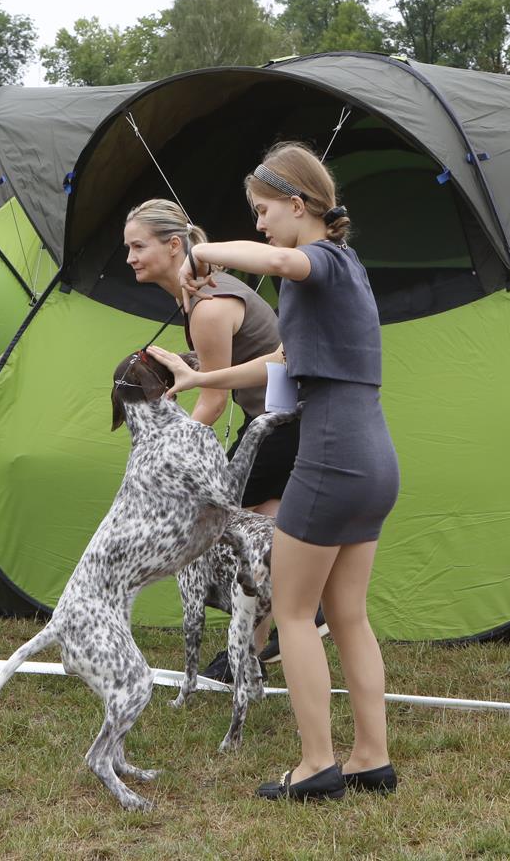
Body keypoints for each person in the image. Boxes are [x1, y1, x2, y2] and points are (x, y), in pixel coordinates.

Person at [148, 141, 400, 801]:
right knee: (348, 615)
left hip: (332, 455)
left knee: (290, 613)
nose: (258, 224)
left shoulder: (317, 261)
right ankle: (370, 758)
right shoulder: (344, 272)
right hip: (374, 457)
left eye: (262, 210)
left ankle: (316, 765)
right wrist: (201, 378)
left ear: (297, 204)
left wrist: (201, 252)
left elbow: (284, 259)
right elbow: (282, 364)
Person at [122, 199, 307, 679]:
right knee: (262, 528)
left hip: (280, 424)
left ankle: (302, 609)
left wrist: (165, 458)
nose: (130, 258)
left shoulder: (206, 305)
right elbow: (225, 365)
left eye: (138, 246)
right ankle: (248, 654)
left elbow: (214, 401)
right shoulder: (202, 293)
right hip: (284, 420)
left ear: (174, 245)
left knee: (210, 525)